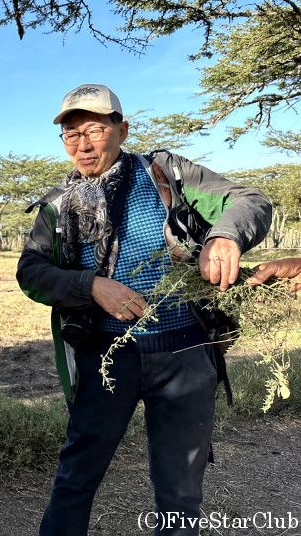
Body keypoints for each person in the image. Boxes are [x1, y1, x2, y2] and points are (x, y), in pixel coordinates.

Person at [16, 84, 272, 536]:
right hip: (104, 358)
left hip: (186, 356)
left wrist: (224, 235)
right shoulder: (58, 205)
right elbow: (31, 272)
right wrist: (91, 285)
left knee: (180, 492)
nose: (84, 143)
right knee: (76, 478)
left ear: (122, 129)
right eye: (71, 134)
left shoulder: (166, 174)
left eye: (95, 128)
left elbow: (249, 201)